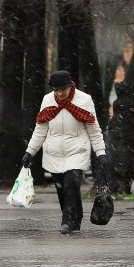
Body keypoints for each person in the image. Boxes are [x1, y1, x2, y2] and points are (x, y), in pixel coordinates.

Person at [21, 70, 107, 234]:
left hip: (77, 151)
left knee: (71, 184)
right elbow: (40, 129)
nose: (60, 93)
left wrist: (100, 152)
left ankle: (68, 221)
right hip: (53, 153)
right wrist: (29, 152)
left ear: (71, 86)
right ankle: (75, 217)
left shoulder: (84, 100)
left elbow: (94, 130)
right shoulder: (47, 100)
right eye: (56, 90)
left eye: (63, 89)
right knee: (62, 188)